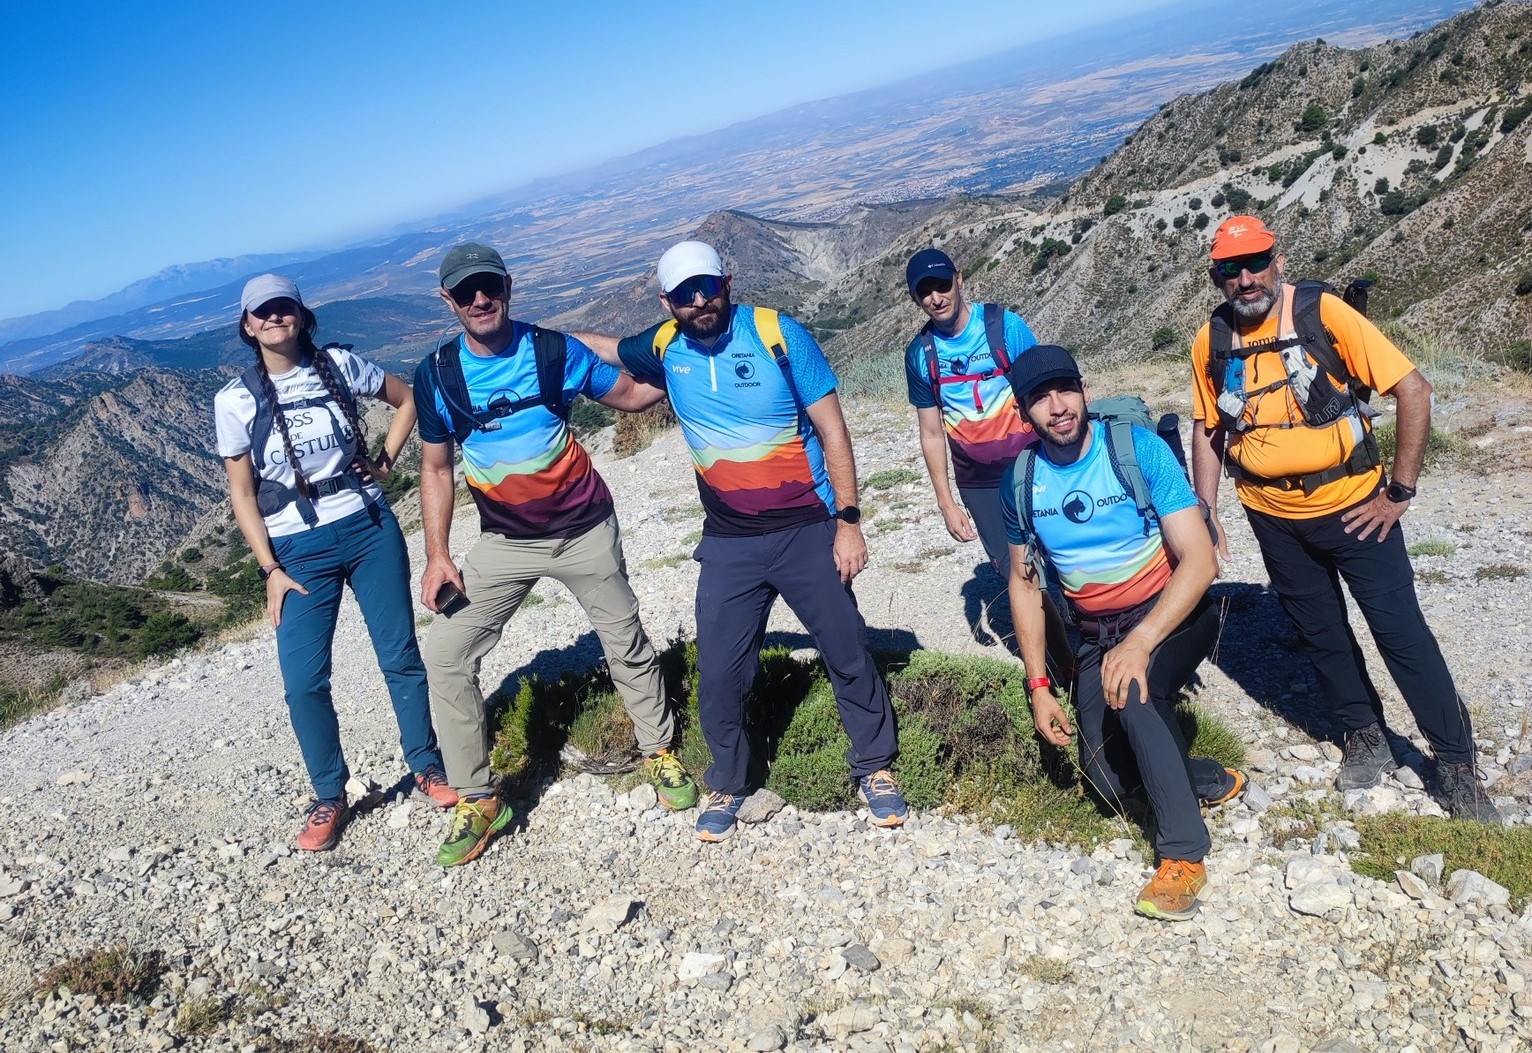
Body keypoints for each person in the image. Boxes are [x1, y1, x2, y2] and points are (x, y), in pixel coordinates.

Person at [582, 240, 905, 842]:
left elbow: (834, 430)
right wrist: (533, 339)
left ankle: (875, 767)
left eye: (707, 285)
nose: (699, 300)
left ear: (728, 280)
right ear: (666, 301)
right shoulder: (664, 345)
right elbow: (607, 352)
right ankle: (728, 779)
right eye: (684, 294)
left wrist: (850, 521)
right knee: (720, 673)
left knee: (847, 650)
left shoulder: (778, 335)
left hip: (808, 528)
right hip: (729, 542)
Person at [1189, 215, 1500, 824]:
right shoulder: (1212, 341)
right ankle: (1364, 734)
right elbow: (1209, 429)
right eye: (1232, 269)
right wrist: (1208, 509)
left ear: (1277, 260)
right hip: (1272, 514)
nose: (1246, 278)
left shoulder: (1324, 315)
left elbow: (1413, 389)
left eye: (1256, 262)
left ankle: (1457, 765)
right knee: (1321, 632)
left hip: (1358, 508)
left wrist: (1399, 491)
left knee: (1402, 636)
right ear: (1217, 276)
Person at [414, 243, 697, 868]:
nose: (479, 299)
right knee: (446, 653)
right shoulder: (436, 375)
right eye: (465, 292)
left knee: (622, 637)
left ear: (508, 287)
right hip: (502, 542)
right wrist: (437, 554)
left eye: (489, 286)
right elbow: (435, 469)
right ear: (448, 301)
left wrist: (691, 355)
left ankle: (658, 750)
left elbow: (626, 394)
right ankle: (478, 796)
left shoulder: (550, 351)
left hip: (582, 527)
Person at [1001, 344, 1246, 921]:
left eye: (1066, 390)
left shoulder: (1138, 452)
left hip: (1172, 615)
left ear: (1084, 391)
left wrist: (1140, 643)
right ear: (1023, 413)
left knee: (1134, 693)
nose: (1058, 407)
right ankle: (1199, 778)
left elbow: (1200, 560)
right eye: (1040, 398)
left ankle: (1183, 856)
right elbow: (1023, 583)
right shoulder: (1023, 480)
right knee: (1107, 784)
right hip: (1094, 633)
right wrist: (1038, 683)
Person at [215, 274, 456, 853]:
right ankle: (329, 794)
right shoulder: (235, 400)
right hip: (296, 549)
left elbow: (408, 399)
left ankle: (427, 765)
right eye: (262, 312)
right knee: (302, 682)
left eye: (283, 307)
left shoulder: (341, 367)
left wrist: (387, 459)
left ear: (300, 314)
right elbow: (243, 493)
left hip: (368, 527)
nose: (275, 318)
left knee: (399, 654)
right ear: (248, 326)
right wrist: (269, 569)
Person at [902, 247, 1071, 674]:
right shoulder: (920, 355)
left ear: (959, 278)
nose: (936, 297)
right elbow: (930, 431)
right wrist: (945, 502)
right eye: (925, 292)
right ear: (916, 299)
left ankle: (1089, 639)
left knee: (1061, 549)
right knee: (1013, 568)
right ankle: (1061, 664)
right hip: (977, 480)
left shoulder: (1003, 326)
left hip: (1032, 463)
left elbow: (1044, 388)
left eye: (942, 285)